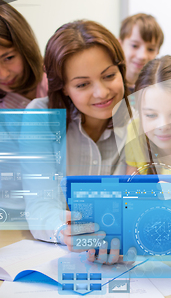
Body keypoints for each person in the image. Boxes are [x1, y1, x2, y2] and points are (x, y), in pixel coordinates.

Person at [25, 20, 130, 264]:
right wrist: (65, 231)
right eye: (83, 84)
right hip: (60, 259)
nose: (102, 92)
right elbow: (40, 206)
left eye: (109, 76)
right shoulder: (41, 118)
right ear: (63, 88)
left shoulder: (142, 115)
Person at [0, 0, 47, 219]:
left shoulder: (58, 82)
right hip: (4, 211)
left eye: (8, 57)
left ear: (24, 45)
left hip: (57, 207)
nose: (2, 74)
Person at [119, 13, 164, 91]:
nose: (142, 56)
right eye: (134, 46)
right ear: (120, 44)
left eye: (151, 49)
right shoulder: (112, 87)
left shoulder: (158, 89)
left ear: (157, 51)